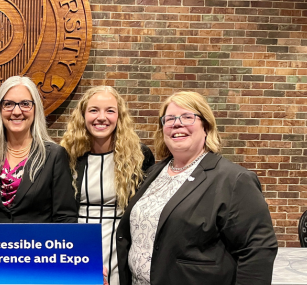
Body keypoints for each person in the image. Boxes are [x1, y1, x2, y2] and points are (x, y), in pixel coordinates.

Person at [116, 91, 278, 285]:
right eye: (169, 119)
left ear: (206, 127)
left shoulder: (233, 180)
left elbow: (257, 250)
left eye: (187, 117)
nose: (177, 123)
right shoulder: (153, 174)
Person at [60, 86, 155, 285]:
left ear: (119, 116)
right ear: (83, 115)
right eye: (94, 110)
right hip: (77, 252)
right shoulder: (66, 156)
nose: (101, 117)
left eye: (110, 110)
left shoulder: (139, 157)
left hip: (121, 252)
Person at [0, 76, 77, 223]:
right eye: (8, 104)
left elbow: (65, 217)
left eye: (25, 104)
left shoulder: (54, 156)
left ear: (35, 109)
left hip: (39, 244)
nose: (16, 111)